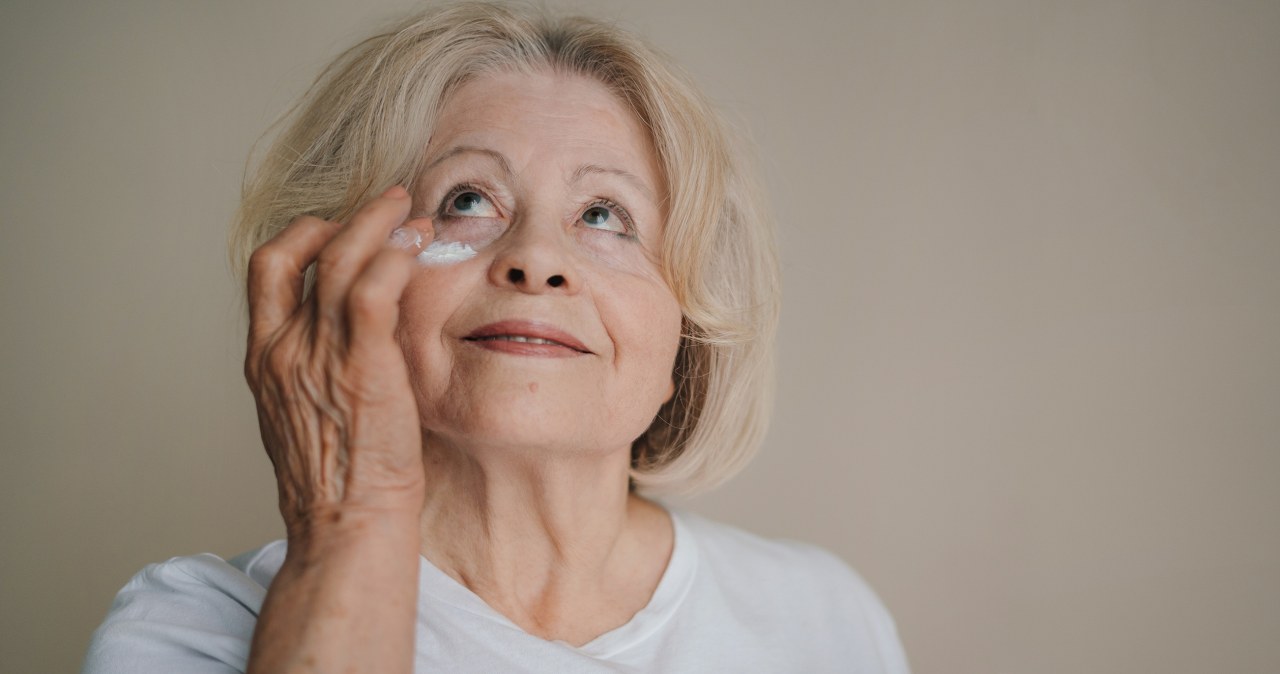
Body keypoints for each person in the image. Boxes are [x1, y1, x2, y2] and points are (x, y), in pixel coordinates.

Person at [81, 3, 910, 672]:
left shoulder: (822, 619)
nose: (536, 260)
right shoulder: (195, 628)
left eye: (603, 215)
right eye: (468, 201)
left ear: (686, 335)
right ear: (343, 272)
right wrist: (352, 520)